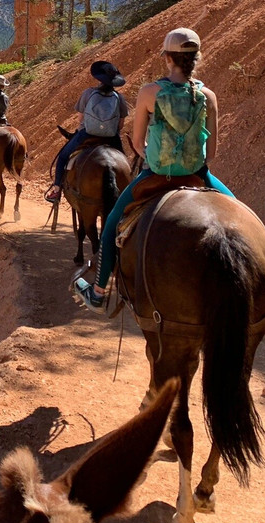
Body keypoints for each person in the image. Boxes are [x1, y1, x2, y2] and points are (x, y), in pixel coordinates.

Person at [73, 28, 235, 313]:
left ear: (167, 58)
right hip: (198, 174)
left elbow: (137, 143)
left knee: (112, 224)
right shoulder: (208, 96)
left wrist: (156, 156)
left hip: (157, 174)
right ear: (196, 58)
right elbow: (212, 153)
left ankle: (98, 293)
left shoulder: (150, 92)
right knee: (238, 214)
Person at [44, 61, 127, 203]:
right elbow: (121, 124)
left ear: (99, 79)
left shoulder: (88, 93)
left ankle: (56, 190)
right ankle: (128, 196)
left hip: (87, 134)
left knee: (63, 157)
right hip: (111, 137)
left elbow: (80, 118)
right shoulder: (119, 98)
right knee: (125, 164)